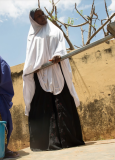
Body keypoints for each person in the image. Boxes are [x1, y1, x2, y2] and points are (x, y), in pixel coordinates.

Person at [23, 8, 85, 151]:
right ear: (33, 20)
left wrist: (58, 54)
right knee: (43, 108)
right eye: (38, 16)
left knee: (62, 105)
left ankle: (69, 140)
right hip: (40, 76)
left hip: (57, 72)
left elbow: (60, 46)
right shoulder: (32, 36)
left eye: (42, 14)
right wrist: (33, 68)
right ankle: (45, 144)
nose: (42, 17)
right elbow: (30, 57)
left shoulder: (55, 30)